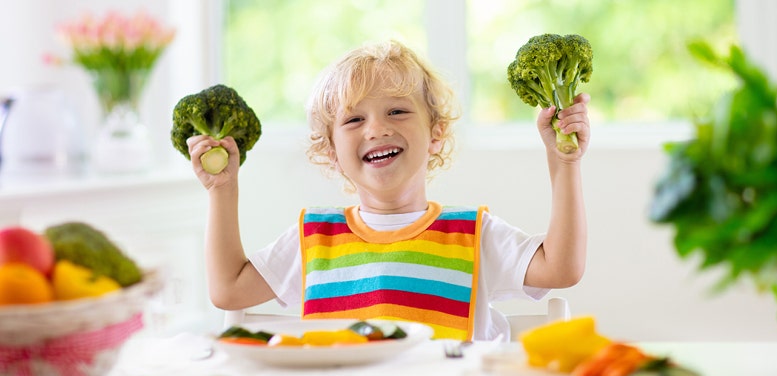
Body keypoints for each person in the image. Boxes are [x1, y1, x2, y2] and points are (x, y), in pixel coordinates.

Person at [186, 39, 590, 341]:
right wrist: (222, 190)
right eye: (353, 120)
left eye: (397, 111)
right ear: (330, 151)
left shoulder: (472, 232)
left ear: (436, 133)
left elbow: (561, 268)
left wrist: (564, 163)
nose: (376, 129)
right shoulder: (314, 238)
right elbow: (228, 290)